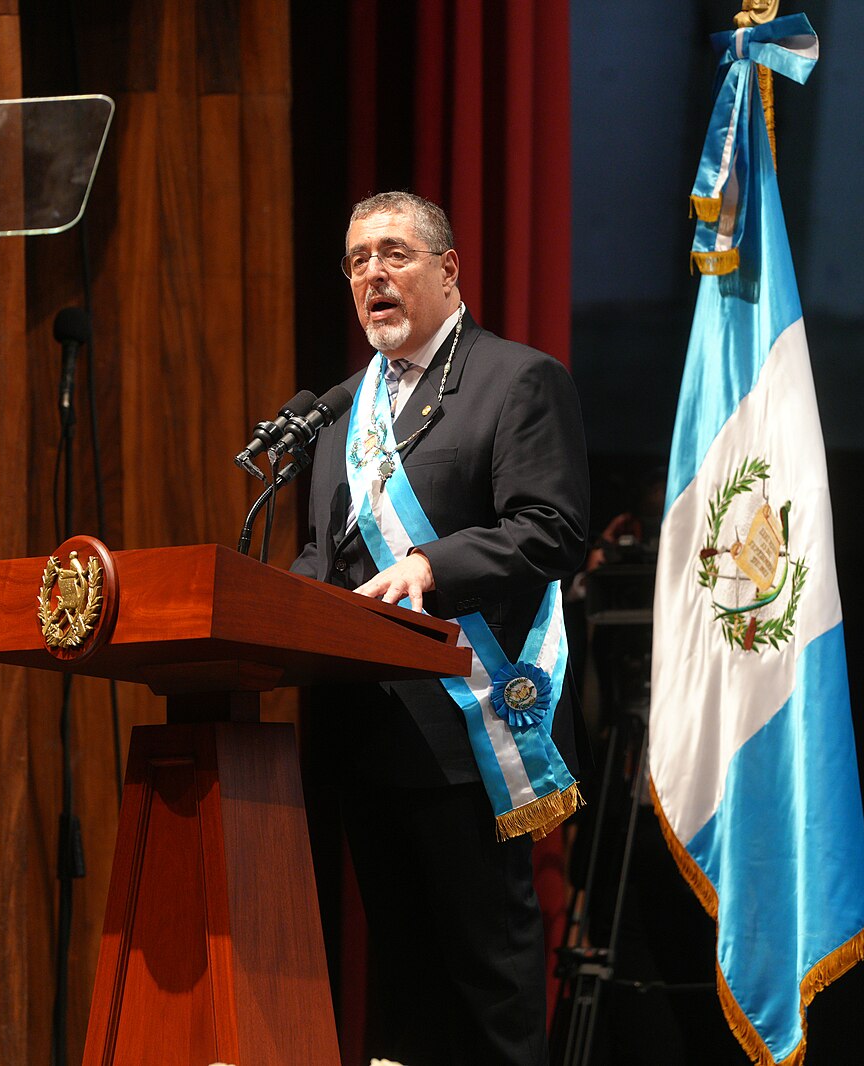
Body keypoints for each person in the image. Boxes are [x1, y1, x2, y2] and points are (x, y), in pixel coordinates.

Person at [291, 191, 589, 1066]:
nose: (371, 275)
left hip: (468, 737)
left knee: (486, 988)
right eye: (356, 261)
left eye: (393, 254)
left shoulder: (516, 380)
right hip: (364, 733)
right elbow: (324, 555)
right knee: (404, 995)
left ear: (447, 269)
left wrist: (432, 565)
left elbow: (551, 527)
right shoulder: (341, 412)